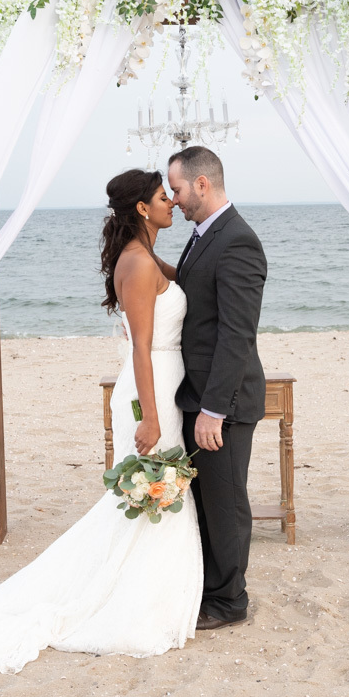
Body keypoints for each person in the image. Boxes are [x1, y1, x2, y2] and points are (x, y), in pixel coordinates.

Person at [0, 169, 202, 673]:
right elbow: (140, 345)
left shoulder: (146, 256)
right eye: (165, 197)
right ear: (143, 208)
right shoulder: (138, 265)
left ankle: (143, 590)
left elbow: (184, 281)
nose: (172, 203)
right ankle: (128, 601)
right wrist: (151, 416)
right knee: (148, 493)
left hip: (162, 384)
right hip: (151, 391)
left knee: (150, 496)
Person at [153, 146, 267, 630]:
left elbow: (236, 334)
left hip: (225, 402)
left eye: (176, 189)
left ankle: (230, 601)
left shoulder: (238, 240)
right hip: (197, 395)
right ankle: (211, 589)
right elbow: (195, 290)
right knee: (207, 501)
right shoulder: (204, 235)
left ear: (202, 184)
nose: (173, 200)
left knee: (225, 503)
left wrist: (214, 410)